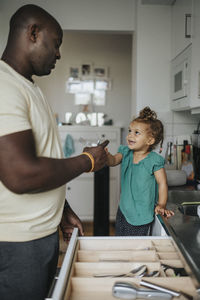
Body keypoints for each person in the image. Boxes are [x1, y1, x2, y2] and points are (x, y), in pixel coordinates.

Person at [0, 4, 109, 300]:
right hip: (16, 243)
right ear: (33, 33)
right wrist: (86, 161)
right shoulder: (4, 86)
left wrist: (61, 209)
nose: (59, 54)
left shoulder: (29, 88)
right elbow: (20, 174)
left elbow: (40, 159)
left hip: (38, 235)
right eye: (56, 43)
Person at [106, 107, 174, 236]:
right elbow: (113, 161)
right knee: (120, 243)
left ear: (150, 141)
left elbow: (162, 183)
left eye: (137, 133)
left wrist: (162, 204)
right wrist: (105, 155)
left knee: (135, 249)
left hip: (141, 214)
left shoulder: (154, 160)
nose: (130, 135)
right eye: (130, 131)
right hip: (124, 210)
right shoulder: (125, 153)